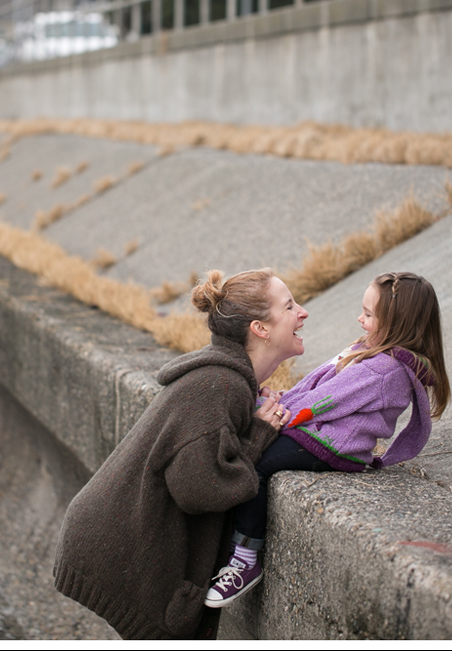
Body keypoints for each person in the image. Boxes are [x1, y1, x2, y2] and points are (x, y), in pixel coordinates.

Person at [53, 268, 308, 639]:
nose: (303, 312)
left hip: (107, 532)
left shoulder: (227, 379)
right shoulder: (221, 384)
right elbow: (199, 487)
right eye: (289, 306)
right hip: (116, 547)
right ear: (261, 329)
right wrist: (259, 435)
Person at [205, 271, 450, 608]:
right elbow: (315, 387)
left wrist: (280, 411)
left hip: (332, 446)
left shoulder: (383, 370)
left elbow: (325, 402)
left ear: (396, 322)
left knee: (257, 465)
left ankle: (246, 559)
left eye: (368, 314)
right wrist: (280, 398)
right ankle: (231, 547)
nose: (359, 319)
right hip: (322, 434)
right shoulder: (371, 353)